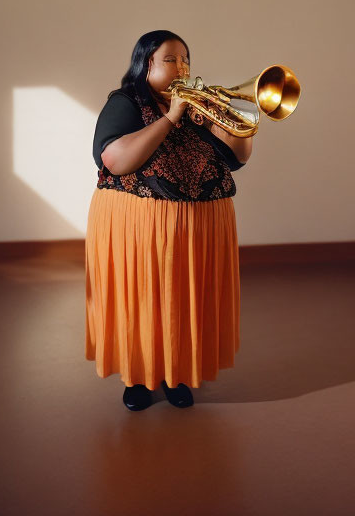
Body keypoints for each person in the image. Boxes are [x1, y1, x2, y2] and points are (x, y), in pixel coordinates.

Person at [85, 30, 253, 410]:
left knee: (186, 301)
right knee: (142, 300)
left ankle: (177, 372)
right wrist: (172, 116)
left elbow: (237, 159)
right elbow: (114, 159)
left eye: (186, 59)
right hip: (138, 226)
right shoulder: (125, 102)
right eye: (171, 59)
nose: (183, 67)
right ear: (145, 65)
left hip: (200, 225)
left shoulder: (199, 106)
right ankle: (139, 378)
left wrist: (238, 121)